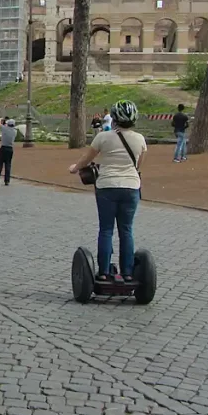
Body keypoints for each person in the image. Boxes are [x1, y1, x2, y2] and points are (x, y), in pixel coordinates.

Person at [68, 100, 147, 281]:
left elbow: (86, 160)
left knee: (106, 229)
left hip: (107, 187)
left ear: (115, 118)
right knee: (126, 230)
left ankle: (103, 272)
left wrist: (74, 168)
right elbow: (138, 166)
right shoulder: (140, 139)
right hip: (131, 187)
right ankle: (127, 273)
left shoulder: (103, 137)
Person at [0, 118, 16, 186]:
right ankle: (7, 181)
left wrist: (0, 119)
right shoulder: (15, 131)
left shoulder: (4, 128)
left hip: (3, 148)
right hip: (10, 149)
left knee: (0, 165)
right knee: (8, 165)